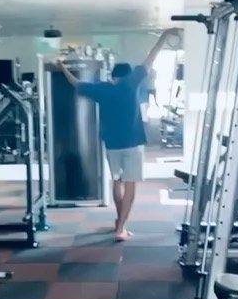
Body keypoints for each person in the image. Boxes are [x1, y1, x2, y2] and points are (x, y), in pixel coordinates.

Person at [57, 28, 179, 241]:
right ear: (126, 75)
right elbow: (151, 58)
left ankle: (119, 221)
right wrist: (163, 36)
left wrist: (62, 67)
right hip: (133, 144)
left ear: (112, 76)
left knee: (117, 181)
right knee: (131, 184)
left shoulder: (101, 89)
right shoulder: (131, 84)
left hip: (112, 145)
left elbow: (74, 83)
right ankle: (121, 226)